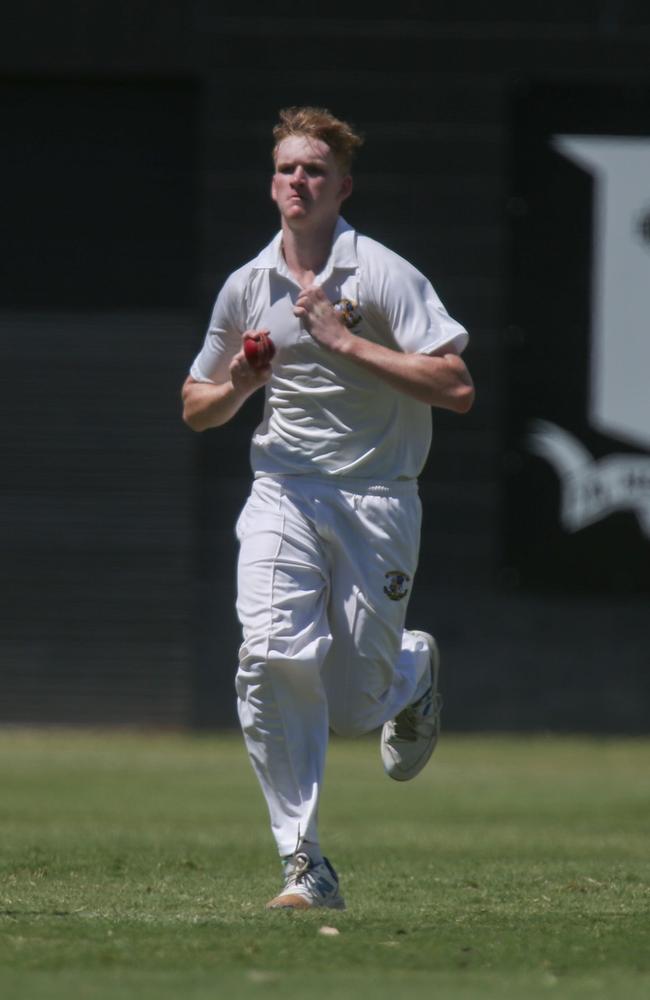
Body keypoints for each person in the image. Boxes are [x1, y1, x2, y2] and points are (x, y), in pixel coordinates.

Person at [182, 106, 474, 911]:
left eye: (314, 170)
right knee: (269, 654)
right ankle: (303, 864)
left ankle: (410, 670)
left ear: (343, 186)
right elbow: (195, 406)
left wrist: (345, 343)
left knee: (351, 705)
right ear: (271, 184)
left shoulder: (380, 274)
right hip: (281, 490)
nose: (298, 181)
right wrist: (241, 382)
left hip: (378, 498)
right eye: (286, 169)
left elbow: (456, 388)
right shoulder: (248, 286)